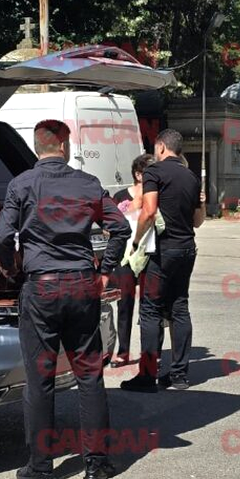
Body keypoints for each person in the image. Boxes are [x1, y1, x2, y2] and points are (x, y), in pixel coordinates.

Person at [0, 119, 131, 479]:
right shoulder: (88, 183)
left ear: (37, 146)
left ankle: (40, 467)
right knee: (89, 374)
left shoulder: (21, 184)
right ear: (65, 146)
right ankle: (96, 464)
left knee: (40, 379)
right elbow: (120, 227)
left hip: (40, 288)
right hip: (82, 285)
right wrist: (106, 269)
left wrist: (10, 267)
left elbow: (2, 236)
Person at [120, 129, 203, 392]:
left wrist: (135, 242)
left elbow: (149, 211)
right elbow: (197, 221)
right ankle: (179, 375)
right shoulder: (191, 176)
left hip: (162, 250)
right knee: (180, 307)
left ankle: (147, 376)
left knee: (150, 310)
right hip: (187, 248)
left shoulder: (154, 172)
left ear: (161, 147)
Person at [108, 153, 155, 367]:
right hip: (126, 256)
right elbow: (109, 228)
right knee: (124, 304)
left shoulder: (156, 195)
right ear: (138, 174)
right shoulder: (120, 197)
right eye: (150, 171)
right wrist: (133, 207)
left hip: (149, 254)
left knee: (149, 305)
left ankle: (150, 353)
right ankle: (123, 352)